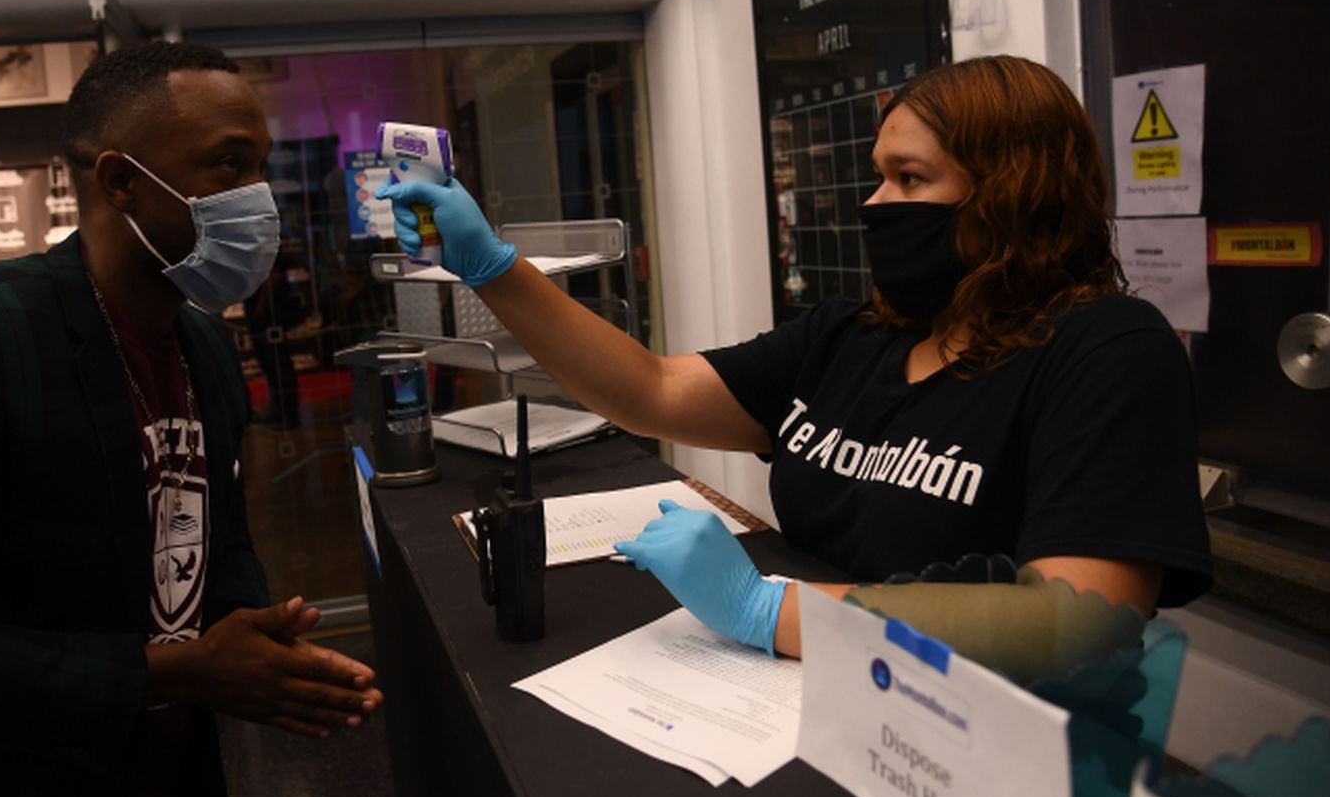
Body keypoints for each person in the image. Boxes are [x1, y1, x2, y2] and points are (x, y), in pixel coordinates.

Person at [377, 55, 1212, 678]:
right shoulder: (854, 337)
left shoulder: (1107, 350)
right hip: (809, 705)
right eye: (877, 177)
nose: (875, 204)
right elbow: (651, 391)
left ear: (1012, 194)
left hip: (978, 759)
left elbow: (1075, 626)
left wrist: (768, 608)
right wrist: (492, 269)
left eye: (909, 178)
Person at [0, 42, 382, 797]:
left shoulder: (206, 347)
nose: (260, 197)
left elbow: (215, 546)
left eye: (261, 165)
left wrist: (262, 640)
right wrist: (189, 671)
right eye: (229, 164)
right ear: (120, 180)